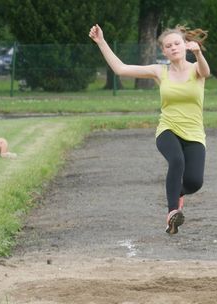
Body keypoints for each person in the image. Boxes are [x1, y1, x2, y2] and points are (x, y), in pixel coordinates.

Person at [89, 24, 209, 234]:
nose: (173, 48)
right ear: (163, 51)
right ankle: (172, 213)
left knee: (194, 182)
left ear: (185, 45)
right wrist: (101, 42)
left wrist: (198, 53)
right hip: (168, 129)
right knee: (177, 161)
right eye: (168, 46)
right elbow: (121, 69)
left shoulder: (195, 69)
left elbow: (206, 71)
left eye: (176, 43)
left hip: (195, 133)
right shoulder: (159, 71)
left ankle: (176, 193)